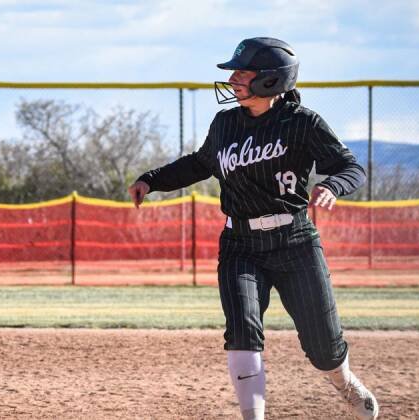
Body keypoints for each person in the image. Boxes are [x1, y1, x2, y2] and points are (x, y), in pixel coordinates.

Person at [128, 38, 378, 420]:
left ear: (270, 81)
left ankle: (344, 383)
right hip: (240, 244)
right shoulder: (226, 122)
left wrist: (331, 186)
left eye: (242, 72)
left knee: (323, 347)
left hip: (294, 242)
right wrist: (151, 179)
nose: (232, 78)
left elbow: (350, 166)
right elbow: (199, 164)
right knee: (243, 329)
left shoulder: (302, 122)